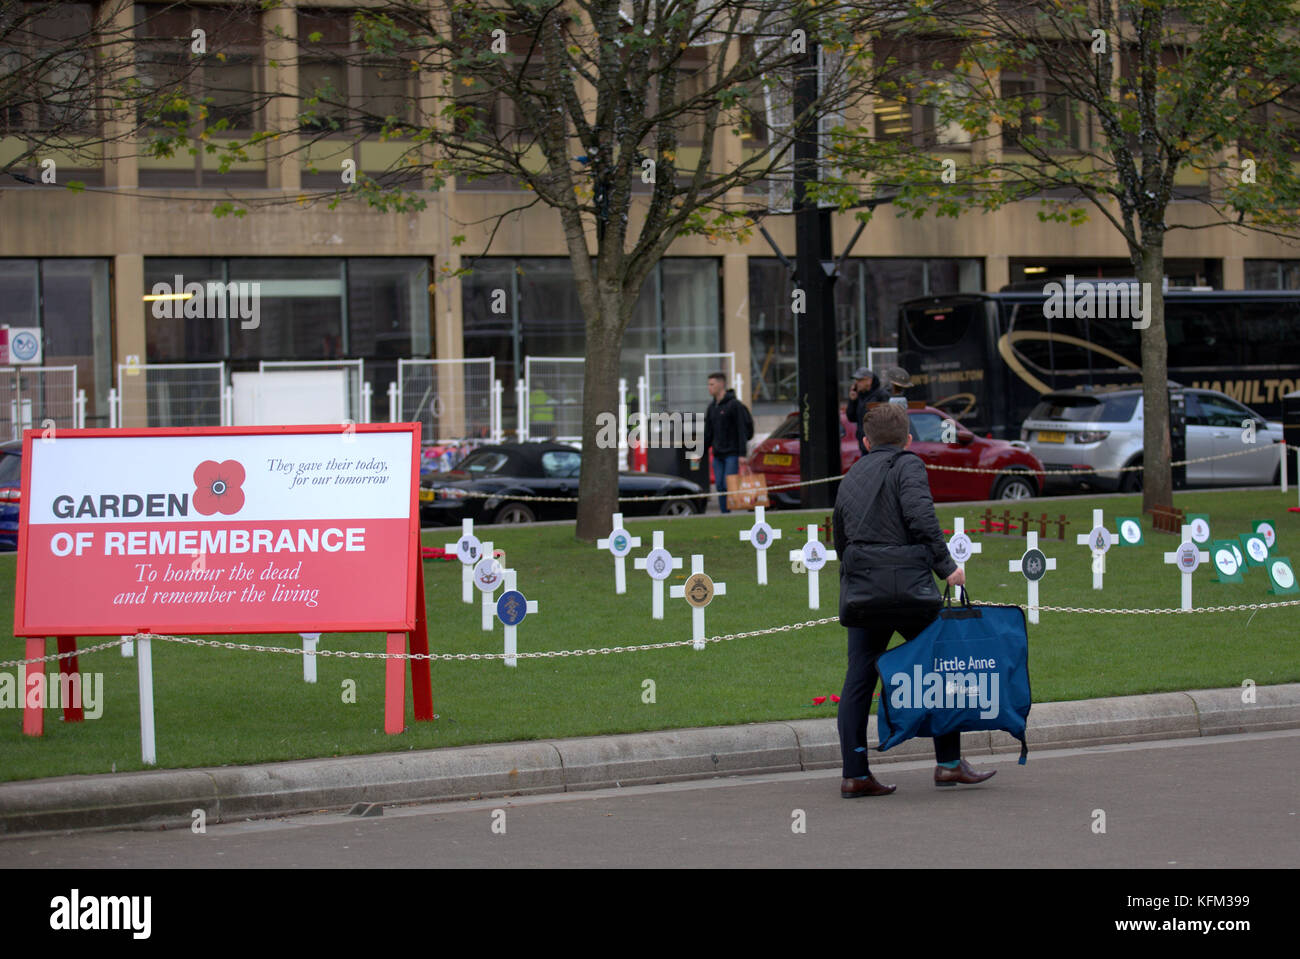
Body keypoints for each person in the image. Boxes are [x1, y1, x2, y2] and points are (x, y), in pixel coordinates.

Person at [833, 402, 995, 798]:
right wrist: (947, 566)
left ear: (865, 441)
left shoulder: (852, 474)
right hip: (909, 589)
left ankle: (855, 773)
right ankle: (949, 764)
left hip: (866, 591)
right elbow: (920, 516)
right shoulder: (909, 465)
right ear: (908, 439)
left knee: (859, 680)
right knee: (943, 668)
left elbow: (840, 531)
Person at [702, 372, 750, 513]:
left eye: (712, 384)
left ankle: (729, 512)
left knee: (727, 484)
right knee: (719, 486)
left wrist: (742, 454)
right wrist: (701, 452)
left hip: (732, 453)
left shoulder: (735, 406)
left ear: (721, 384)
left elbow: (742, 430)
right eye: (708, 385)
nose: (709, 388)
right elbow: (708, 433)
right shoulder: (712, 407)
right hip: (718, 454)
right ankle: (725, 513)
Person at [846, 367, 889, 455]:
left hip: (878, 445)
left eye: (860, 380)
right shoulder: (860, 396)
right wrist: (852, 401)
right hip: (864, 445)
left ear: (869, 381)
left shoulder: (881, 395)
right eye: (856, 381)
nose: (857, 383)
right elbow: (851, 418)